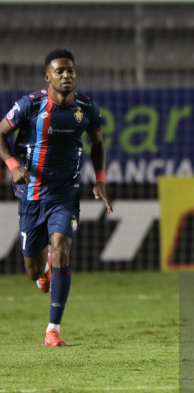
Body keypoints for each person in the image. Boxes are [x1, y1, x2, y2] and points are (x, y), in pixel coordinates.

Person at [0, 49, 112, 347]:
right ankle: (43, 270)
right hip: (32, 196)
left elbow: (97, 143)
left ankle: (53, 330)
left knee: (62, 248)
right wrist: (13, 166)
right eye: (60, 71)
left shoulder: (86, 108)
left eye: (70, 71)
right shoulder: (30, 105)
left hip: (65, 194)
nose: (66, 76)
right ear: (47, 76)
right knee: (33, 272)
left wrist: (100, 180)